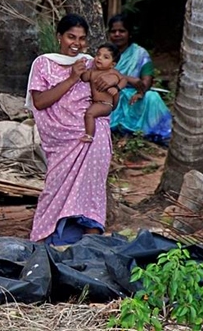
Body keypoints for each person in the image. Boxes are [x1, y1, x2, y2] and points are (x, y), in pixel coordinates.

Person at [26, 14, 112, 245]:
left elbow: (107, 99)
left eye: (82, 38)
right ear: (59, 37)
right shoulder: (43, 64)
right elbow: (40, 102)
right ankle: (45, 241)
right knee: (54, 190)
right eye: (71, 37)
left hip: (91, 138)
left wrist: (113, 86)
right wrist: (73, 78)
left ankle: (90, 246)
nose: (77, 43)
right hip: (60, 141)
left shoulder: (92, 64)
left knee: (91, 191)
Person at [106, 13, 173, 144]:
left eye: (122, 31)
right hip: (111, 95)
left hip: (134, 96)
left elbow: (146, 81)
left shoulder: (140, 54)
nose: (117, 34)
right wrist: (127, 79)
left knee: (152, 97)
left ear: (129, 33)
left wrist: (141, 92)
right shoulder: (104, 53)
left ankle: (158, 133)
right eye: (113, 31)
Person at [79, 42, 126, 142]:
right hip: (96, 103)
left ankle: (89, 135)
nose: (99, 58)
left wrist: (117, 88)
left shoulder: (112, 72)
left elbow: (124, 80)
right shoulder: (92, 72)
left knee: (89, 114)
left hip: (105, 104)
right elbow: (84, 78)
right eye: (98, 54)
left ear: (113, 64)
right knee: (88, 112)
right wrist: (83, 69)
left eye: (105, 57)